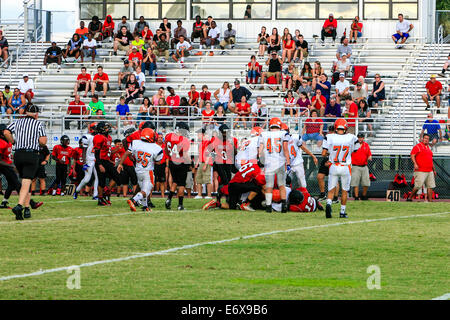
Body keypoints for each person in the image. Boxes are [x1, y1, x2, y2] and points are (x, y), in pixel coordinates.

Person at [4, 104, 47, 220]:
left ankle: (27, 209)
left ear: (26, 112)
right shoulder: (38, 124)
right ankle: (19, 206)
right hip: (31, 154)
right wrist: (38, 141)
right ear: (36, 114)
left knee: (24, 182)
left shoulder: (18, 122)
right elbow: (43, 141)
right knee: (27, 181)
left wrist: (13, 142)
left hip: (18, 154)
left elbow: (6, 132)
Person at [119, 128, 162, 212]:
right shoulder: (156, 148)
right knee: (146, 190)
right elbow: (158, 162)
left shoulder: (135, 143)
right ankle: (133, 200)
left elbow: (127, 153)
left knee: (143, 188)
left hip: (138, 170)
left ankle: (145, 206)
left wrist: (120, 164)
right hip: (148, 171)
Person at [322, 118, 358, 218]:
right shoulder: (351, 137)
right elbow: (355, 150)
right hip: (345, 166)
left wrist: (332, 154)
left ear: (335, 127)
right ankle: (342, 212)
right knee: (344, 190)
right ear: (345, 127)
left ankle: (329, 203)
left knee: (331, 189)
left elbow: (324, 153)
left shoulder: (329, 137)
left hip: (333, 165)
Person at [259, 117, 290, 213]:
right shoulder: (283, 133)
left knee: (269, 186)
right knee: (281, 185)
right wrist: (288, 162)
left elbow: (260, 150)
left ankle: (268, 206)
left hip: (269, 163)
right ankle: (284, 205)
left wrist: (260, 160)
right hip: (280, 162)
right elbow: (285, 149)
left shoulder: (264, 134)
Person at [93, 122, 121, 206]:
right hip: (101, 161)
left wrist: (117, 149)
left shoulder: (109, 137)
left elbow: (108, 151)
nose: (107, 129)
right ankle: (100, 200)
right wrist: (99, 165)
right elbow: (96, 153)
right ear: (101, 129)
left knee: (117, 177)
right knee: (101, 181)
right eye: (105, 128)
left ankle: (106, 192)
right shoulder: (98, 137)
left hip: (107, 161)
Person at [165, 122, 191, 211]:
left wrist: (169, 157)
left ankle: (169, 199)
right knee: (181, 184)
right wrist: (190, 163)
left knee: (175, 181)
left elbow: (166, 149)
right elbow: (185, 155)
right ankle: (180, 205)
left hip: (172, 162)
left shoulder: (168, 136)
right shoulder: (184, 140)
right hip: (181, 163)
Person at [285, 124, 318, 188]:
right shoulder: (278, 141)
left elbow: (303, 148)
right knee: (285, 183)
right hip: (287, 164)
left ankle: (305, 196)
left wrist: (312, 156)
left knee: (302, 183)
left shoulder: (295, 138)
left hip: (297, 162)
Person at [73, 123, 99, 200]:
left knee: (97, 177)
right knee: (87, 179)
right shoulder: (87, 137)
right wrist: (84, 163)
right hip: (89, 160)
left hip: (96, 159)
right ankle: (77, 190)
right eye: (95, 128)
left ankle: (95, 195)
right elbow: (84, 150)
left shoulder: (99, 137)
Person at [407, 134, 436, 202]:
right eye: (425, 138)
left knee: (430, 186)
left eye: (428, 139)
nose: (426, 140)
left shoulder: (428, 148)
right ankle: (410, 198)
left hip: (429, 170)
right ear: (422, 139)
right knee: (418, 185)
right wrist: (415, 163)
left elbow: (431, 160)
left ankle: (430, 200)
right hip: (420, 170)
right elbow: (412, 155)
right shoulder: (418, 146)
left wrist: (434, 170)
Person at [350, 133, 372, 200]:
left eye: (361, 137)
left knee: (366, 183)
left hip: (364, 166)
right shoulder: (353, 145)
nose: (360, 139)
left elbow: (369, 154)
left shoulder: (366, 145)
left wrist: (369, 157)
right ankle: (356, 197)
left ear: (363, 138)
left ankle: (363, 196)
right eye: (359, 137)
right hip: (355, 166)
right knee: (355, 182)